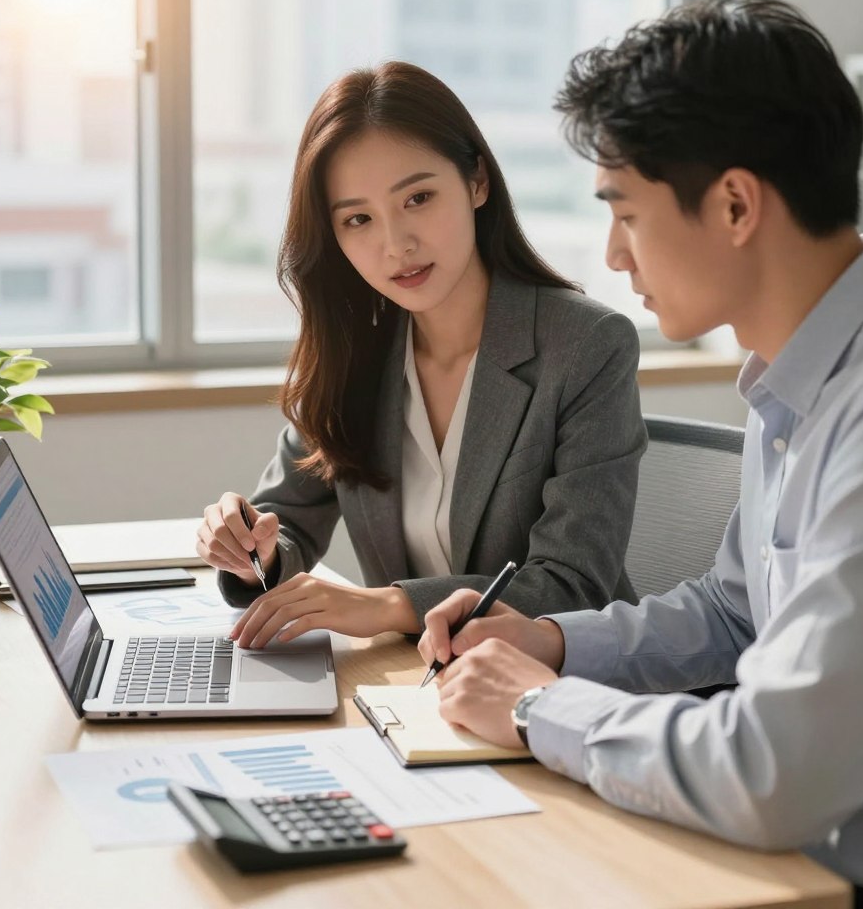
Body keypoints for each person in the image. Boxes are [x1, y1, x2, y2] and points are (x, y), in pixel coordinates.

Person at [419, 0, 863, 906]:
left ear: (736, 204)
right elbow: (739, 616)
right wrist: (547, 641)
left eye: (625, 212)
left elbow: (779, 771)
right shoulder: (800, 375)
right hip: (782, 867)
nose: (615, 257)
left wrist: (536, 706)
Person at [197, 61, 646, 648]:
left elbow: (571, 586)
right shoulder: (355, 351)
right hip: (412, 689)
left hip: (559, 692)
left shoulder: (586, 346)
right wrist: (248, 546)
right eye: (358, 219)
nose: (395, 244)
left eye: (419, 198)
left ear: (477, 182)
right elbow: (288, 524)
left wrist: (383, 605)